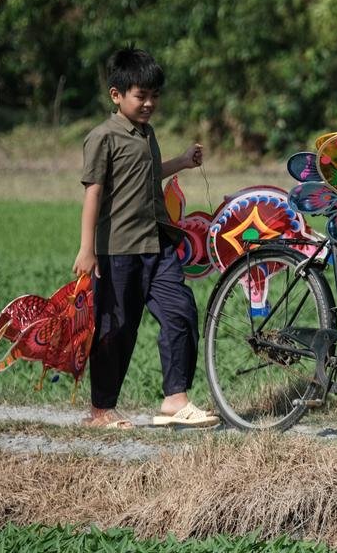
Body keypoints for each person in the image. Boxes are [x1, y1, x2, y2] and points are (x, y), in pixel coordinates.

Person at [73, 48, 218, 429]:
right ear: (116, 95)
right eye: (141, 95)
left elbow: (150, 172)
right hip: (117, 249)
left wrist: (182, 162)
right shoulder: (102, 138)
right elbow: (93, 193)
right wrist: (87, 249)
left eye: (154, 95)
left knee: (181, 312)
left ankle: (175, 399)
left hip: (158, 242)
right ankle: (102, 411)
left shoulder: (146, 134)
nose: (150, 103)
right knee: (116, 328)